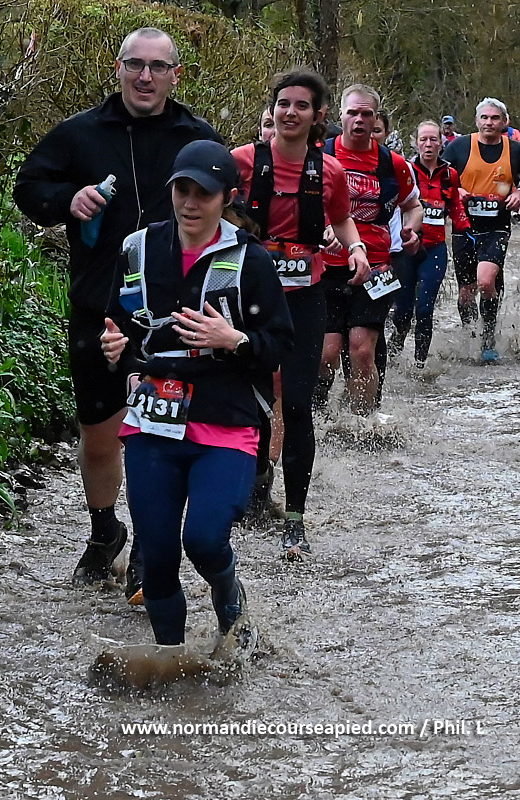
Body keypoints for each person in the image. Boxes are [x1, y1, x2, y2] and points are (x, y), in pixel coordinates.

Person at [13, 28, 222, 600]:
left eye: (158, 67)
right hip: (98, 303)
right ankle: (105, 531)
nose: (145, 77)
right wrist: (68, 200)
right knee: (100, 432)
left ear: (176, 75)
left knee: (161, 431)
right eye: (135, 65)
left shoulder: (196, 137)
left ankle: (152, 544)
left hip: (174, 311)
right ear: (118, 68)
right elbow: (28, 186)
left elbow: (229, 206)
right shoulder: (80, 132)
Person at [101, 140, 293, 646]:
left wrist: (235, 340)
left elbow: (280, 343)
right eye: (181, 190)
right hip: (153, 421)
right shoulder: (138, 248)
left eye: (203, 193)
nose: (189, 203)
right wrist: (114, 347)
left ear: (226, 197)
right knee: (158, 556)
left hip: (226, 418)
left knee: (204, 540)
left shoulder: (250, 259)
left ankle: (230, 597)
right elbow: (120, 327)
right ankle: (171, 661)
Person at [232, 69, 370, 559]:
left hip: (305, 298)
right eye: (283, 104)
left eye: (301, 106)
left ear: (318, 116)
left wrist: (355, 248)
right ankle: (256, 484)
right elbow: (206, 210)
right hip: (249, 297)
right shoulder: (241, 162)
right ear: (272, 111)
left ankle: (295, 520)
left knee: (295, 405)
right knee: (250, 402)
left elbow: (341, 218)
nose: (290, 113)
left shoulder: (328, 171)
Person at [319, 84, 422, 416]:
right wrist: (321, 230)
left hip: (376, 267)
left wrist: (411, 229)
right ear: (341, 115)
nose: (359, 120)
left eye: (366, 114)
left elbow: (413, 205)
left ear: (376, 118)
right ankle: (317, 418)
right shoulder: (321, 155)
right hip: (326, 266)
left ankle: (363, 423)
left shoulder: (393, 163)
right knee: (326, 354)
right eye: (352, 113)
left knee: (361, 349)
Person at [443, 97, 520, 362]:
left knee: (486, 282)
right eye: (484, 118)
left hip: (497, 227)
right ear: (476, 121)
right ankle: (470, 337)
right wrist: (456, 190)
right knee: (466, 291)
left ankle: (488, 339)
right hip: (464, 227)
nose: (489, 123)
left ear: (504, 122)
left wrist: (518, 192)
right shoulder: (459, 146)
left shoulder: (515, 150)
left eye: (495, 118)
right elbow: (438, 179)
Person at [389, 121, 470, 367]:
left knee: (425, 308)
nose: (428, 144)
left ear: (441, 143)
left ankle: (420, 366)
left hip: (434, 249)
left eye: (433, 139)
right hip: (405, 249)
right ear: (416, 143)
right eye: (423, 139)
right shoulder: (405, 170)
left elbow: (455, 205)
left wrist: (466, 230)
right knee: (403, 311)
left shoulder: (450, 174)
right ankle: (395, 349)